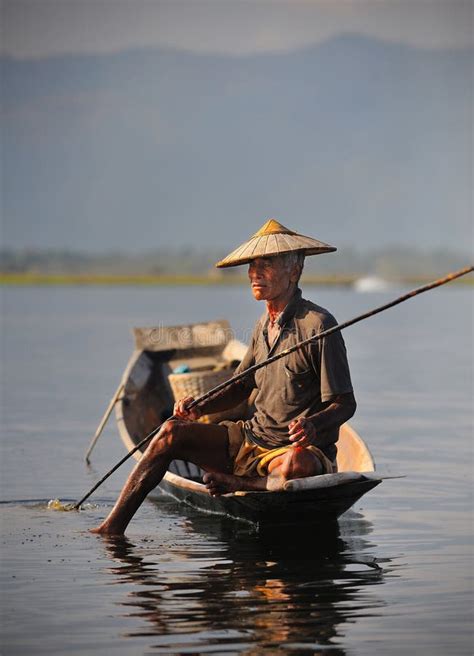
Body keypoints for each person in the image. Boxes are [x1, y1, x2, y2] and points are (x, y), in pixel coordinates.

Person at [91, 219, 356, 535]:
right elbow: (241, 386)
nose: (254, 274)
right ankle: (111, 528)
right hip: (250, 439)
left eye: (266, 264)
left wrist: (314, 425)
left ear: (294, 271)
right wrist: (200, 408)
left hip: (290, 454)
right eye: (252, 265)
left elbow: (345, 404)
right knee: (170, 432)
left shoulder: (318, 325)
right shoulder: (262, 327)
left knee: (296, 466)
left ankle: (239, 483)